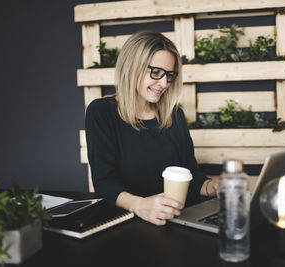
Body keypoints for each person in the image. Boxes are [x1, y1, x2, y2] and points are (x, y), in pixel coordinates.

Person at [85, 30, 218, 226]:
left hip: (176, 221)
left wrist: (213, 187)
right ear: (132, 67)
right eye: (156, 72)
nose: (164, 83)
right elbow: (104, 181)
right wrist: (140, 205)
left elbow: (190, 175)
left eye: (170, 75)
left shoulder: (175, 115)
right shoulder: (101, 112)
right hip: (127, 223)